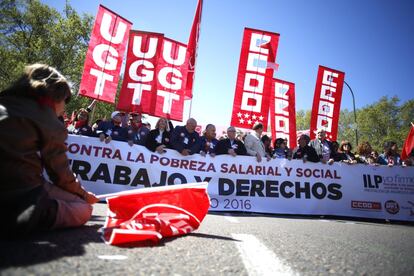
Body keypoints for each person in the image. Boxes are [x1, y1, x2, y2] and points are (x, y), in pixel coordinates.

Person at [0, 64, 98, 237]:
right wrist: (84, 194)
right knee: (84, 209)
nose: (65, 108)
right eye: (66, 100)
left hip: (18, 182)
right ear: (57, 95)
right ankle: (31, 216)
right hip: (20, 192)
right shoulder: (49, 121)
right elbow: (60, 174)